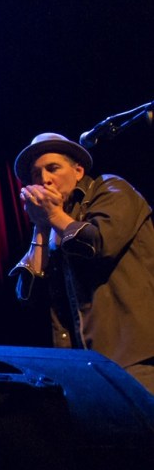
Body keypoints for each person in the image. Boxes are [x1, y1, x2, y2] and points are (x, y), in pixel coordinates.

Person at [10, 132, 154, 394]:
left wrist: (52, 215)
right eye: (35, 174)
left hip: (138, 359)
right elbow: (28, 296)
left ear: (78, 171)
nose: (44, 180)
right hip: (85, 370)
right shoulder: (56, 223)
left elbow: (100, 244)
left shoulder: (111, 189)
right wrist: (41, 226)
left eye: (53, 168)